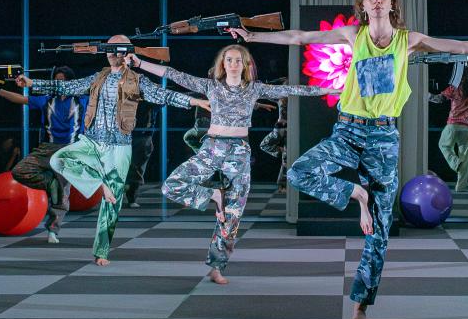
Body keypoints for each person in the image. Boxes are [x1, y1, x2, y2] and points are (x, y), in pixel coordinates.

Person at [229, 0, 468, 319]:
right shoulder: (354, 35)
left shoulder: (409, 41)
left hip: (383, 139)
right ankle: (355, 192)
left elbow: (467, 46)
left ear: (392, 3)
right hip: (348, 131)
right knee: (299, 171)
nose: (377, 0)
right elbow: (300, 37)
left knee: (379, 230)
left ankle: (361, 305)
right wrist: (251, 35)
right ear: (362, 5)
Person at [133, 44, 334, 284]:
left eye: (239, 60)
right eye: (229, 60)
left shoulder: (254, 89)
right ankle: (212, 195)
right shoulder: (211, 86)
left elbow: (293, 89)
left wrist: (330, 89)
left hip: (239, 151)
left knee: (234, 214)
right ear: (223, 64)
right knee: (171, 186)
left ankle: (217, 267)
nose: (234, 64)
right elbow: (173, 74)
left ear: (246, 65)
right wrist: (139, 63)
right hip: (213, 147)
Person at [16, 35, 206, 266]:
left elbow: (163, 95)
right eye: (109, 48)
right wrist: (32, 83)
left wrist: (195, 102)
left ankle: (101, 252)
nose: (111, 52)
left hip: (119, 146)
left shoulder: (137, 79)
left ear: (126, 52)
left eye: (116, 48)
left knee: (112, 204)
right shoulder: (99, 77)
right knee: (59, 160)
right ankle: (99, 184)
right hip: (92, 141)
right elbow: (67, 86)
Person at [0, 66, 87, 243]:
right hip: (47, 147)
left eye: (64, 80)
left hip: (70, 149)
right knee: (19, 171)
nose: (60, 83)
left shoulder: (81, 99)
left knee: (62, 194)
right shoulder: (47, 99)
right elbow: (21, 99)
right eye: (57, 80)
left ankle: (52, 231)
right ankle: (49, 183)